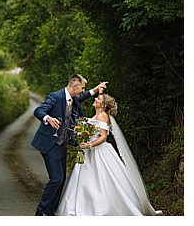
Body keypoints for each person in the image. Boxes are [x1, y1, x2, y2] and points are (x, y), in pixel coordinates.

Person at [57, 93, 159, 215]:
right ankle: (81, 207)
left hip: (98, 152)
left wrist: (90, 145)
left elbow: (103, 137)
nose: (95, 99)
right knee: (83, 179)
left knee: (100, 180)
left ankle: (100, 210)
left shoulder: (103, 116)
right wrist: (82, 138)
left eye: (98, 99)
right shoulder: (96, 115)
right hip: (87, 152)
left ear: (104, 105)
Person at [30, 74, 106, 215]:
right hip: (49, 143)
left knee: (62, 179)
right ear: (74, 86)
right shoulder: (55, 96)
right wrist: (48, 118)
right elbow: (38, 110)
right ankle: (41, 212)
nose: (83, 91)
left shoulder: (74, 98)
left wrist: (95, 90)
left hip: (62, 144)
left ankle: (50, 211)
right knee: (56, 178)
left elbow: (82, 97)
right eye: (82, 88)